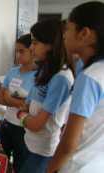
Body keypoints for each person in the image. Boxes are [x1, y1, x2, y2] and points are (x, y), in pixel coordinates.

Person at [45, 2, 104, 173]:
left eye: (68, 29)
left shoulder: (89, 78)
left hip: (77, 166)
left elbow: (68, 145)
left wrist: (50, 170)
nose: (64, 36)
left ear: (84, 33)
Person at [16, 17, 75, 173]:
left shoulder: (61, 78)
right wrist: (25, 114)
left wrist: (22, 115)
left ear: (52, 44)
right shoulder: (44, 69)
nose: (31, 48)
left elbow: (37, 125)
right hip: (29, 142)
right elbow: (27, 103)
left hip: (43, 150)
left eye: (35, 43)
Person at [0, 34, 37, 173]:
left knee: (19, 166)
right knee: (0, 161)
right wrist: (20, 102)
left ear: (32, 51)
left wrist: (11, 99)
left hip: (23, 129)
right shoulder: (12, 72)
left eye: (22, 51)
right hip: (7, 125)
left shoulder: (38, 75)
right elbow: (0, 99)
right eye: (16, 51)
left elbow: (32, 106)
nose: (18, 55)